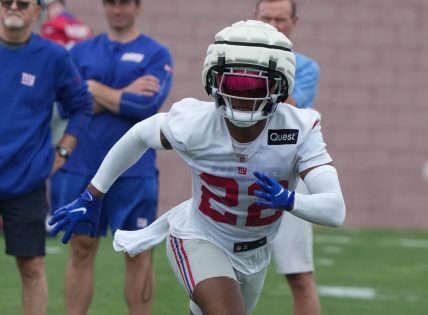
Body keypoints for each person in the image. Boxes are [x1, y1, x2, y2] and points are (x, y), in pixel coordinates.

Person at [49, 20, 345, 315]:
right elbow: (139, 135)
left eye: (256, 85)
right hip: (199, 236)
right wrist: (93, 194)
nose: (242, 96)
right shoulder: (195, 123)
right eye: (233, 83)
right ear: (213, 79)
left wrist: (290, 200)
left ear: (280, 85)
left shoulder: (299, 128)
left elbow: (335, 209)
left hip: (256, 250)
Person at [49, 0, 173, 314]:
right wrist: (124, 93)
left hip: (135, 171)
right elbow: (66, 106)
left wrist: (91, 89)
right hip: (82, 167)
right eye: (111, 3)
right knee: (80, 249)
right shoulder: (80, 52)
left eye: (124, 3)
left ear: (137, 6)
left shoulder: (156, 54)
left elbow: (146, 107)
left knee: (138, 252)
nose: (117, 9)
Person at [0, 0, 91, 314]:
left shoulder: (52, 57)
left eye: (22, 3)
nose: (13, 7)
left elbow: (82, 104)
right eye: (5, 2)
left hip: (26, 181)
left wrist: (63, 152)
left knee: (32, 267)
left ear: (36, 11)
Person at [255, 1, 322, 314]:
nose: (272, 25)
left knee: (298, 273)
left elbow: (296, 112)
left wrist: (272, 70)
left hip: (288, 171)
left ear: (294, 21)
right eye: (266, 18)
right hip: (236, 168)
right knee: (220, 268)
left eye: (280, 19)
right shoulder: (232, 58)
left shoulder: (305, 66)